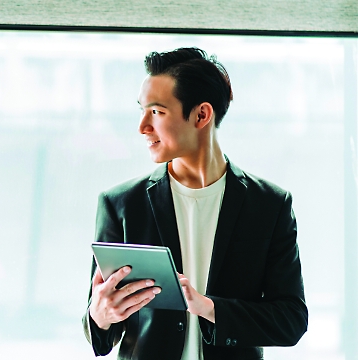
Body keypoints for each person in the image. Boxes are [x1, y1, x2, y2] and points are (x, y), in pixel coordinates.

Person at [82, 47, 308, 360]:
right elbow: (101, 331)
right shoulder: (121, 204)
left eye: (157, 112)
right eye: (142, 110)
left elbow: (291, 320)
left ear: (201, 114)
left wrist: (208, 308)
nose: (142, 126)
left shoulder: (269, 205)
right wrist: (100, 316)